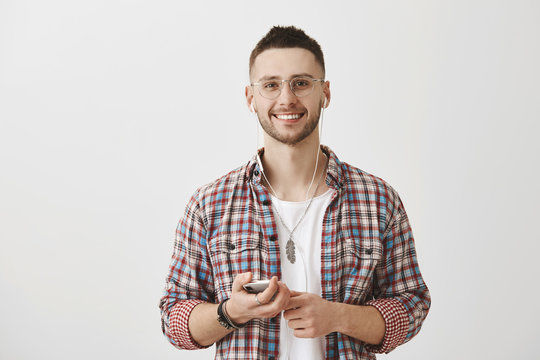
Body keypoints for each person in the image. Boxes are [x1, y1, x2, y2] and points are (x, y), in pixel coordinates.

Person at [159, 25, 430, 360]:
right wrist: (232, 311)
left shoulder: (377, 200)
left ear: (325, 93)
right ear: (250, 97)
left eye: (301, 83)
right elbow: (173, 319)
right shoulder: (209, 204)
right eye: (271, 85)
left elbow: (412, 304)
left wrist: (338, 316)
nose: (286, 98)